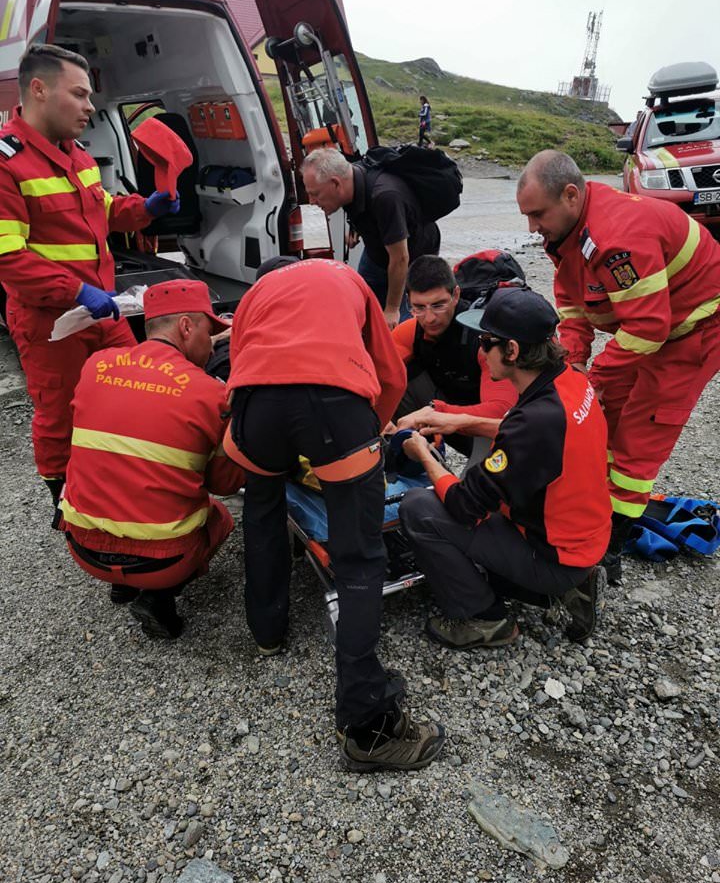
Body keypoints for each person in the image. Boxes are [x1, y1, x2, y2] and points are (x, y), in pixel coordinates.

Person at [225, 255, 445, 772]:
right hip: (332, 403)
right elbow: (387, 369)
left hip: (256, 410)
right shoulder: (345, 277)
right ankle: (368, 726)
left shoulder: (255, 296)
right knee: (360, 557)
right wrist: (371, 430)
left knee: (261, 516)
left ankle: (267, 633)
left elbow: (239, 366)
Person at [516, 150, 720, 579]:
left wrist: (596, 379)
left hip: (695, 328)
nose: (532, 228)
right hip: (653, 326)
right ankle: (592, 506)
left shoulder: (616, 236)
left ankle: (611, 542)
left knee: (639, 434)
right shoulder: (569, 235)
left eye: (537, 215)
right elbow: (572, 310)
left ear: (571, 195)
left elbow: (647, 329)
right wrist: (570, 372)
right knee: (601, 416)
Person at [0, 44, 179, 506]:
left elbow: (100, 211)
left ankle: (126, 479)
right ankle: (70, 510)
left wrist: (143, 208)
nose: (89, 106)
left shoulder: (76, 154)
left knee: (136, 388)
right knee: (59, 416)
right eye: (79, 94)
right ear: (38, 90)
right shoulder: (7, 164)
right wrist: (75, 289)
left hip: (102, 309)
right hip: (51, 323)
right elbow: (7, 257)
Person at [399, 286, 612, 648]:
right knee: (476, 502)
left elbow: (465, 505)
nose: (480, 352)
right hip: (581, 537)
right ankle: (571, 588)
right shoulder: (569, 382)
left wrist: (421, 452)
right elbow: (533, 436)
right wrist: (460, 420)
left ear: (511, 350)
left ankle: (485, 619)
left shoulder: (535, 423)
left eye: (485, 342)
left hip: (554, 555)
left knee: (418, 508)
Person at [58, 279, 244, 639]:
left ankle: (121, 586)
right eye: (210, 332)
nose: (211, 343)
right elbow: (223, 483)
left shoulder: (96, 365)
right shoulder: (210, 393)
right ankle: (158, 597)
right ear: (187, 327)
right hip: (163, 562)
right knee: (218, 516)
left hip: (82, 549)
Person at [301, 147, 440, 329]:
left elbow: (400, 258)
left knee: (399, 325)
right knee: (361, 304)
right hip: (377, 250)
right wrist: (356, 229)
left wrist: (392, 309)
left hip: (411, 258)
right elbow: (359, 205)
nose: (311, 201)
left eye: (315, 194)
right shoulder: (351, 176)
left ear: (335, 184)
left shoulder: (385, 197)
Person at [390, 254, 517, 454]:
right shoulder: (410, 331)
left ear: (456, 295)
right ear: (409, 301)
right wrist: (381, 422)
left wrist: (436, 413)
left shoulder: (484, 338)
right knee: (393, 378)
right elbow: (374, 377)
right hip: (448, 414)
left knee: (483, 479)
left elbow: (501, 412)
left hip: (495, 429)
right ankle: (424, 457)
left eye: (439, 305)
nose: (430, 318)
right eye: (419, 307)